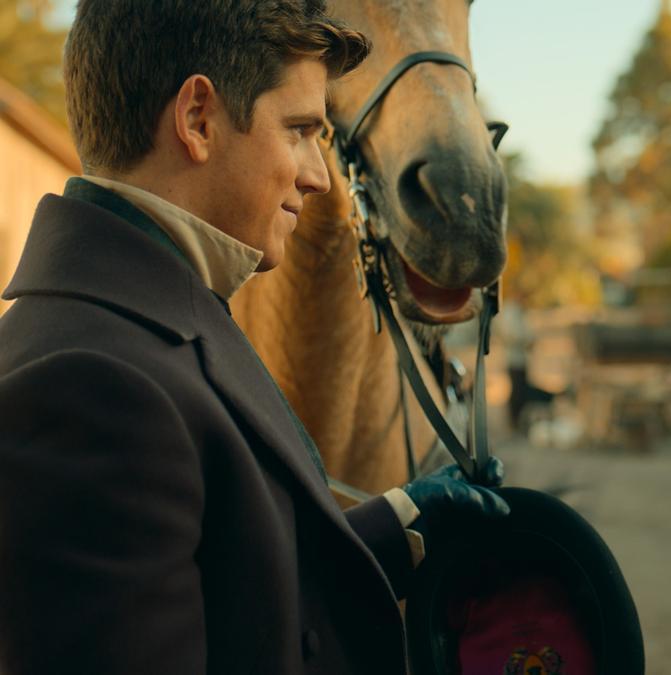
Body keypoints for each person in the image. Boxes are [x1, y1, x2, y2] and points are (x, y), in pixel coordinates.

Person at [0, 2, 506, 673]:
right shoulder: (85, 393)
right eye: (299, 130)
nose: (318, 174)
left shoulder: (154, 310)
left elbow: (227, 581)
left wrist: (395, 525)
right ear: (198, 119)